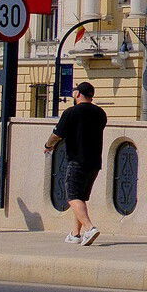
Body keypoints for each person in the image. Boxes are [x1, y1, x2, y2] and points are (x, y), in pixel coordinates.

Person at [46, 81, 107, 246]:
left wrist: (48, 145)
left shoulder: (71, 112)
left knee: (72, 196)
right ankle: (75, 234)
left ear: (78, 94)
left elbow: (57, 135)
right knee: (80, 197)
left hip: (77, 160)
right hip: (94, 162)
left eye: (75, 90)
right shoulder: (101, 113)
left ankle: (89, 228)